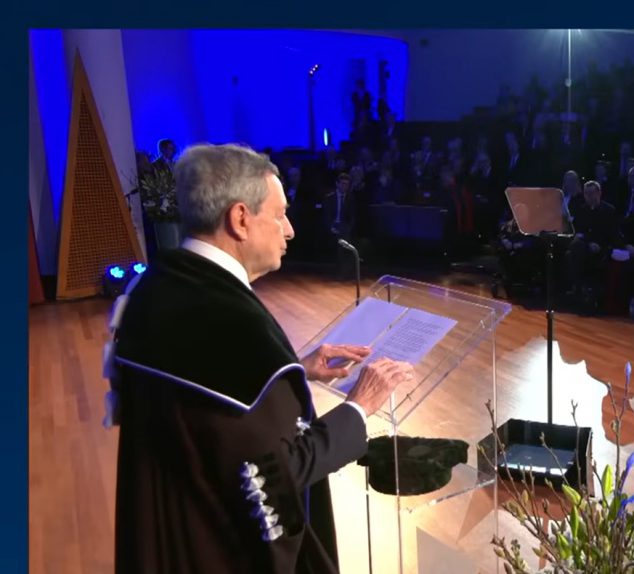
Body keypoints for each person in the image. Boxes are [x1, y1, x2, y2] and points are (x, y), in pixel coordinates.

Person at [107, 144, 413, 574]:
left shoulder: (155, 285)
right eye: (280, 214)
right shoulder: (237, 326)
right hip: (222, 549)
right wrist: (359, 407)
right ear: (240, 219)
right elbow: (275, 475)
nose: (290, 230)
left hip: (170, 534)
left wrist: (294, 369)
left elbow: (208, 400)